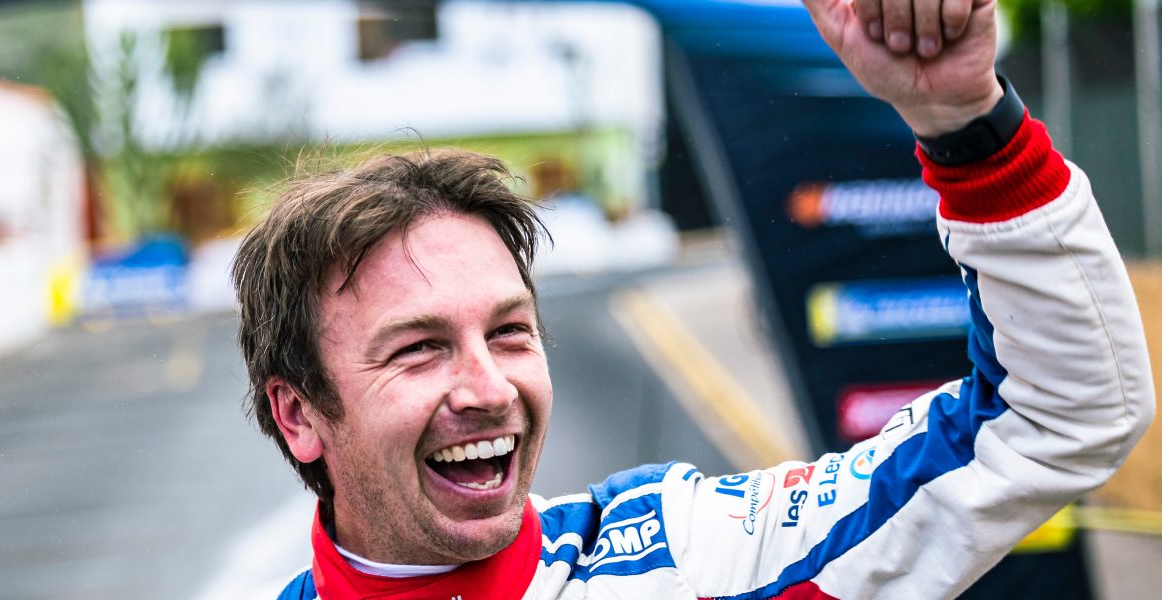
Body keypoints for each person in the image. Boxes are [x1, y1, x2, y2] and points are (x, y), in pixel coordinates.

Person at [229, 0, 1156, 597]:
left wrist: (964, 122)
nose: (488, 388)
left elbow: (1059, 414)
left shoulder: (690, 553)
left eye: (509, 332)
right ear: (299, 415)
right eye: (418, 348)